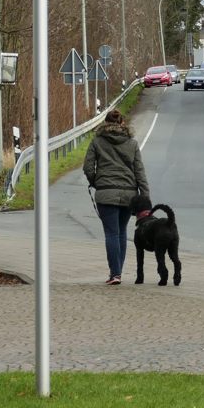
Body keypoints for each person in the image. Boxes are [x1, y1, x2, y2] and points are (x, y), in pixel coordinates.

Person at [83, 109, 151, 285]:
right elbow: (140, 172)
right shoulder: (132, 144)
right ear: (122, 123)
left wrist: (97, 183)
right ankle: (117, 273)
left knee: (111, 234)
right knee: (121, 233)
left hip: (106, 194)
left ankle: (115, 274)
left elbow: (88, 167)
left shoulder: (97, 141)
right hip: (129, 195)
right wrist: (145, 198)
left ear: (105, 123)